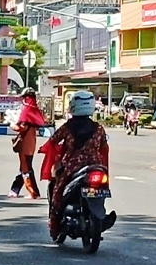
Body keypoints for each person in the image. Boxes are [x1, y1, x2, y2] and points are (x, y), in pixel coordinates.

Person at [45, 90, 116, 241]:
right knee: (102, 186)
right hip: (96, 165)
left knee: (57, 193)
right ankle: (101, 217)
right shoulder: (98, 128)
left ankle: (54, 225)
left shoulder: (67, 127)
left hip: (73, 166)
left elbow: (52, 141)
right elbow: (104, 147)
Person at [8, 88, 44, 199]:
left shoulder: (27, 111)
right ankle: (14, 190)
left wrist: (13, 126)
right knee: (24, 167)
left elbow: (22, 128)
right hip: (31, 143)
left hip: (24, 144)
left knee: (26, 169)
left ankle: (34, 192)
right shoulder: (35, 110)